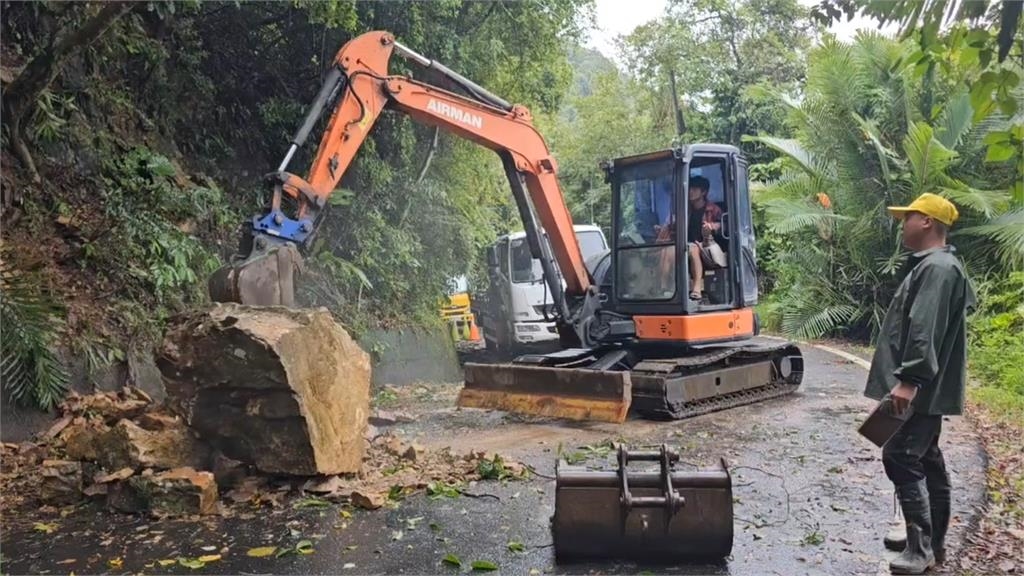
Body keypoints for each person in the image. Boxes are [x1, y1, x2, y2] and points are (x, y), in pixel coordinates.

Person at [864, 192, 976, 575]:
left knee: (901, 456)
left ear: (927, 221)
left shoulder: (938, 269)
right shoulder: (936, 266)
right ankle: (930, 541)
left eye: (907, 217)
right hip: (925, 387)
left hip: (920, 388)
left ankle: (922, 547)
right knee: (925, 456)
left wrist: (909, 381)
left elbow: (925, 330)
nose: (902, 224)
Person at [686, 175, 723, 300]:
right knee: (667, 250)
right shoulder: (685, 210)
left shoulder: (713, 209)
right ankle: (664, 289)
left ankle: (696, 289)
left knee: (693, 248)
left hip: (705, 246)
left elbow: (725, 224)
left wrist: (712, 226)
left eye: (694, 189)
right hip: (684, 245)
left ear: (703, 192)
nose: (690, 191)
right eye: (690, 188)